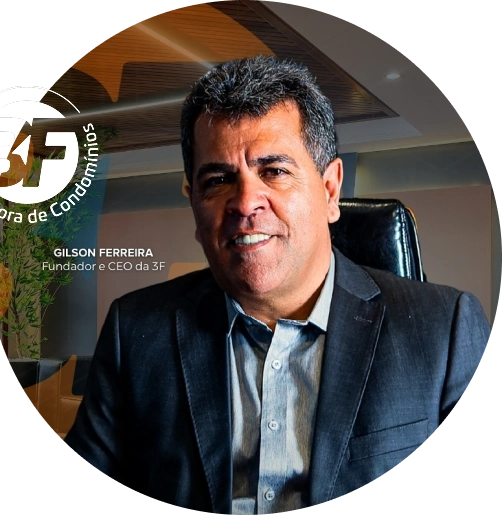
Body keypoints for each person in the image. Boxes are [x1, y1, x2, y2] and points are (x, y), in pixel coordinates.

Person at [65, 55, 490, 513]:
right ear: (194, 205)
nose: (245, 201)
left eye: (274, 171)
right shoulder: (135, 330)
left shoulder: (443, 330)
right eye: (218, 179)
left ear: (330, 190)